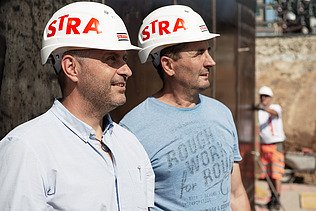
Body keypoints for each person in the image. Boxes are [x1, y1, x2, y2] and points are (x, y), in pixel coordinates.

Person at [0, 2, 154, 210]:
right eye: (111, 59)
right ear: (72, 68)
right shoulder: (26, 149)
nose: (127, 70)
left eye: (124, 58)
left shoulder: (130, 144)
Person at [120, 5, 250, 211]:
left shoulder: (221, 113)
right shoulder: (133, 130)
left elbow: (236, 193)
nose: (211, 61)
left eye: (208, 50)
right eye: (198, 53)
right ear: (168, 65)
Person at [255, 86, 286, 210]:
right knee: (267, 174)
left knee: (276, 174)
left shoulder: (275, 108)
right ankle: (272, 196)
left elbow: (274, 113)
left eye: (266, 96)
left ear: (271, 98)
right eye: (262, 96)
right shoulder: (260, 112)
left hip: (276, 145)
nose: (263, 98)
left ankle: (277, 198)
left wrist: (262, 107)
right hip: (264, 146)